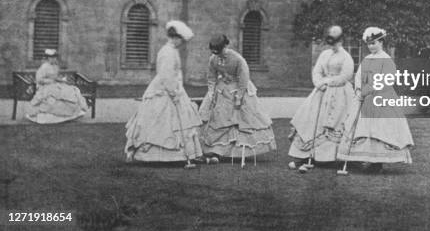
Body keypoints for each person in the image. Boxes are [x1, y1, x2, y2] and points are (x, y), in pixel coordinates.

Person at [337, 27, 414, 173]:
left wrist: (367, 91)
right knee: (361, 128)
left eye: (374, 43)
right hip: (364, 98)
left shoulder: (386, 60)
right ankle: (360, 158)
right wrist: (359, 89)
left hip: (381, 98)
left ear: (381, 42)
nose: (371, 46)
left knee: (380, 130)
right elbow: (359, 76)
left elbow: (386, 80)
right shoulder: (367, 59)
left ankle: (378, 162)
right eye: (368, 44)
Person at [125, 20, 203, 164]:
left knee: (174, 123)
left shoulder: (171, 51)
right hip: (165, 90)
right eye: (181, 40)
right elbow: (167, 76)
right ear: (176, 37)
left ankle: (178, 155)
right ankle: (154, 155)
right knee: (160, 123)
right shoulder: (167, 52)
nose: (182, 43)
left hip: (174, 89)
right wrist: (174, 93)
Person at [198, 34, 276, 165]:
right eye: (215, 52)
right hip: (221, 90)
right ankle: (216, 151)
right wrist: (211, 92)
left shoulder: (238, 59)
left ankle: (234, 152)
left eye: (220, 51)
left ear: (225, 46)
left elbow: (243, 79)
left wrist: (239, 97)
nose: (218, 54)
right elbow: (211, 76)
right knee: (218, 119)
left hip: (238, 90)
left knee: (239, 120)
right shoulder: (213, 59)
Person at [288, 26, 354, 172]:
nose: (334, 45)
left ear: (341, 40)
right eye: (331, 41)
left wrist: (328, 83)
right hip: (321, 92)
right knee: (310, 120)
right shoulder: (324, 54)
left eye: (336, 41)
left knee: (335, 122)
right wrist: (319, 83)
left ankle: (331, 157)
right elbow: (317, 71)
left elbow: (345, 76)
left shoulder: (346, 57)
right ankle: (309, 155)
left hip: (339, 93)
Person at [26, 49, 89, 124]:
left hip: (55, 84)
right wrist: (50, 81)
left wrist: (61, 80)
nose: (53, 59)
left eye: (55, 58)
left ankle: (71, 115)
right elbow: (39, 79)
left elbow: (55, 77)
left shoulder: (55, 66)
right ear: (48, 58)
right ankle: (50, 117)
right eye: (51, 58)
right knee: (53, 95)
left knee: (71, 91)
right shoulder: (44, 67)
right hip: (45, 86)